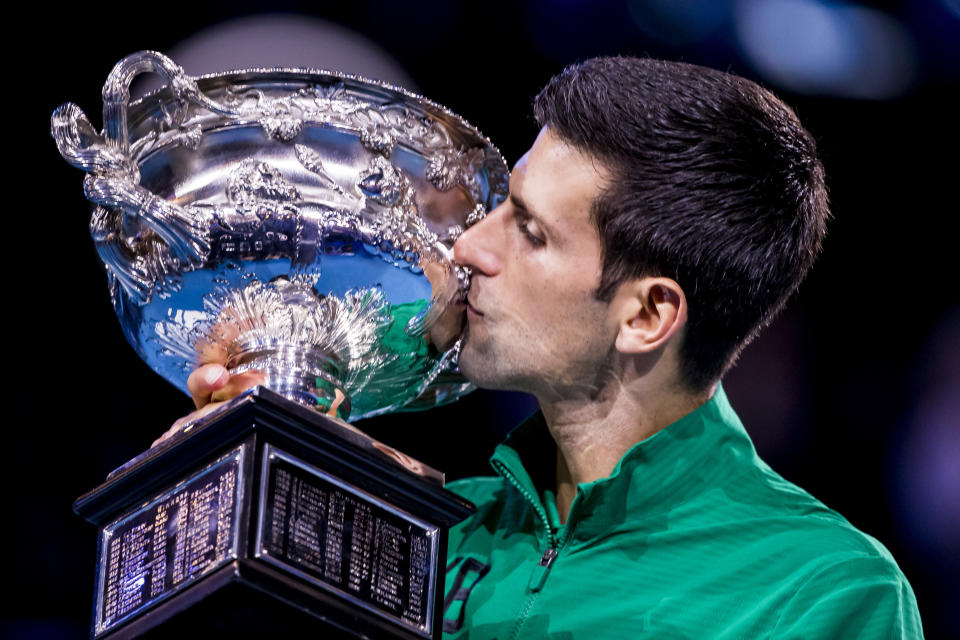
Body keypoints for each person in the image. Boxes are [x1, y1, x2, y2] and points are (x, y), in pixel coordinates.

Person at [173, 57, 923, 638]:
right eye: (502, 204)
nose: (469, 245)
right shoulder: (428, 530)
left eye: (529, 232)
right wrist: (253, 482)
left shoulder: (820, 590)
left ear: (647, 314)